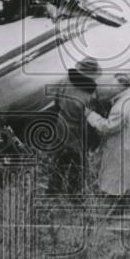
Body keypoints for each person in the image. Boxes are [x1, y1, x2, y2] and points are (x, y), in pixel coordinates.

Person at [85, 74, 130, 198]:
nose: (111, 88)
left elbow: (107, 127)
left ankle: (113, 201)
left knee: (114, 177)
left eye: (114, 86)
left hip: (121, 147)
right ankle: (123, 197)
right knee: (127, 176)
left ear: (122, 86)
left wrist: (90, 114)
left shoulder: (121, 109)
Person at [48, 57, 100, 190]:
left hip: (60, 124)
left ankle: (53, 189)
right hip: (76, 131)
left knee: (57, 159)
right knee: (77, 165)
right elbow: (90, 117)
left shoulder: (66, 79)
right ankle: (74, 195)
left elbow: (56, 101)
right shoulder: (90, 94)